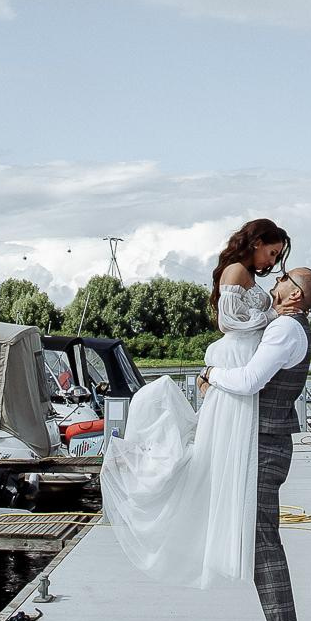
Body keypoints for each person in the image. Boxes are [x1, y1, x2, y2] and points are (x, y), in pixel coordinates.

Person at [99, 218, 289, 588]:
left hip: (240, 358)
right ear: (256, 242)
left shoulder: (246, 273)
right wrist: (274, 314)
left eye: (278, 256)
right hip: (234, 356)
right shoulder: (235, 270)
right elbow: (229, 321)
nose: (272, 261)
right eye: (272, 251)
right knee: (208, 454)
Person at [202, 265, 311, 621]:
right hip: (264, 442)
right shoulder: (287, 326)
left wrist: (211, 375)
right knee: (260, 543)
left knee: (263, 546)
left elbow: (251, 380)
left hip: (264, 446)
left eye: (284, 279)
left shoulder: (286, 330)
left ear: (297, 295)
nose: (275, 281)